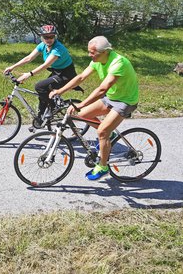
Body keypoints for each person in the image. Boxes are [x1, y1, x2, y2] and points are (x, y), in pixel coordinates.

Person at [49, 36, 139, 181]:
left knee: (102, 131)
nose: (89, 55)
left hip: (125, 101)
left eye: (92, 53)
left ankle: (103, 167)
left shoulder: (118, 63)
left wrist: (81, 104)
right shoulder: (97, 60)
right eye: (89, 52)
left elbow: (102, 89)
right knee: (81, 115)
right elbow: (81, 78)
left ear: (105, 52)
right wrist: (60, 91)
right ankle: (111, 136)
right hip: (111, 97)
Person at [3, 25, 77, 130]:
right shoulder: (42, 45)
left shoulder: (58, 48)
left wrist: (29, 74)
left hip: (66, 74)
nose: (49, 39)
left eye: (51, 36)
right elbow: (29, 58)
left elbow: (45, 65)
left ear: (55, 37)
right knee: (43, 93)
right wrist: (12, 67)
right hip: (57, 72)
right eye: (46, 37)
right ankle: (41, 118)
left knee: (39, 86)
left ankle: (53, 108)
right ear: (41, 37)